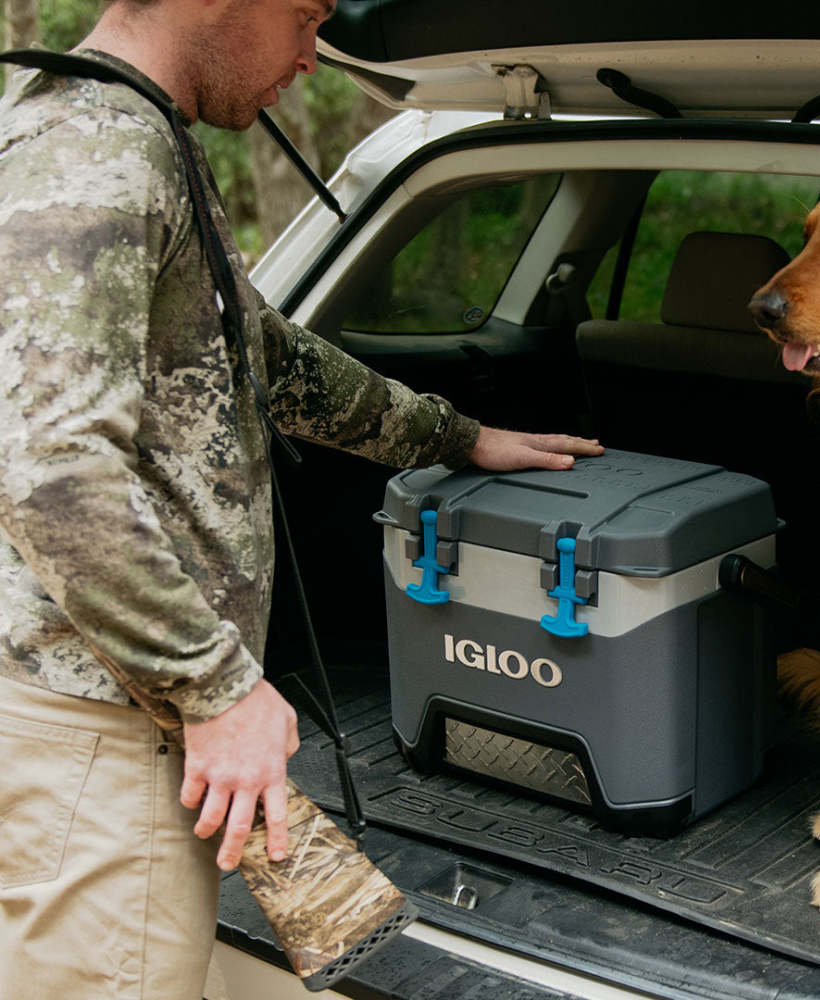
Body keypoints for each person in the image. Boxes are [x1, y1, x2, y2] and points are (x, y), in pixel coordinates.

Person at [0, 1, 603, 996]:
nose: (312, 55)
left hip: (125, 713)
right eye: (307, 15)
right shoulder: (100, 152)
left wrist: (460, 436)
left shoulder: (140, 136)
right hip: (105, 734)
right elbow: (52, 473)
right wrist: (216, 688)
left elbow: (264, 360)